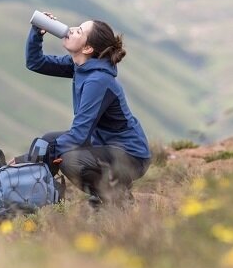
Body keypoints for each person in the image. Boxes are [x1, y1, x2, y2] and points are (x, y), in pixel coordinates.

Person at [25, 13, 151, 207]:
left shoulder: (98, 81)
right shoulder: (80, 66)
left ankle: (115, 198)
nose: (71, 29)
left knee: (69, 159)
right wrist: (37, 33)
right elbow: (36, 63)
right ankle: (27, 196)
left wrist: (38, 155)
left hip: (130, 156)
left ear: (87, 48)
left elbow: (79, 135)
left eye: (80, 30)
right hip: (103, 144)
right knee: (48, 139)